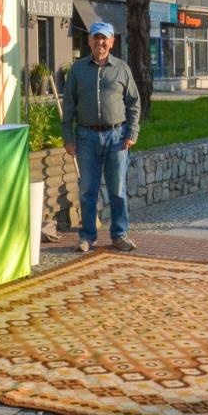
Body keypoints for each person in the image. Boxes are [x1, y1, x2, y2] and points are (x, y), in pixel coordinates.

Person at [61, 22, 141, 253]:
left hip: (117, 136)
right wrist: (68, 137)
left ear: (112, 41)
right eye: (96, 38)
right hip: (86, 137)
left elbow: (134, 102)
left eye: (104, 38)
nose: (100, 43)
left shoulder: (122, 68)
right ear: (89, 41)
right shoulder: (78, 69)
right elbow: (68, 105)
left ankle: (119, 234)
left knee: (117, 189)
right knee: (87, 190)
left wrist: (132, 132)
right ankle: (87, 237)